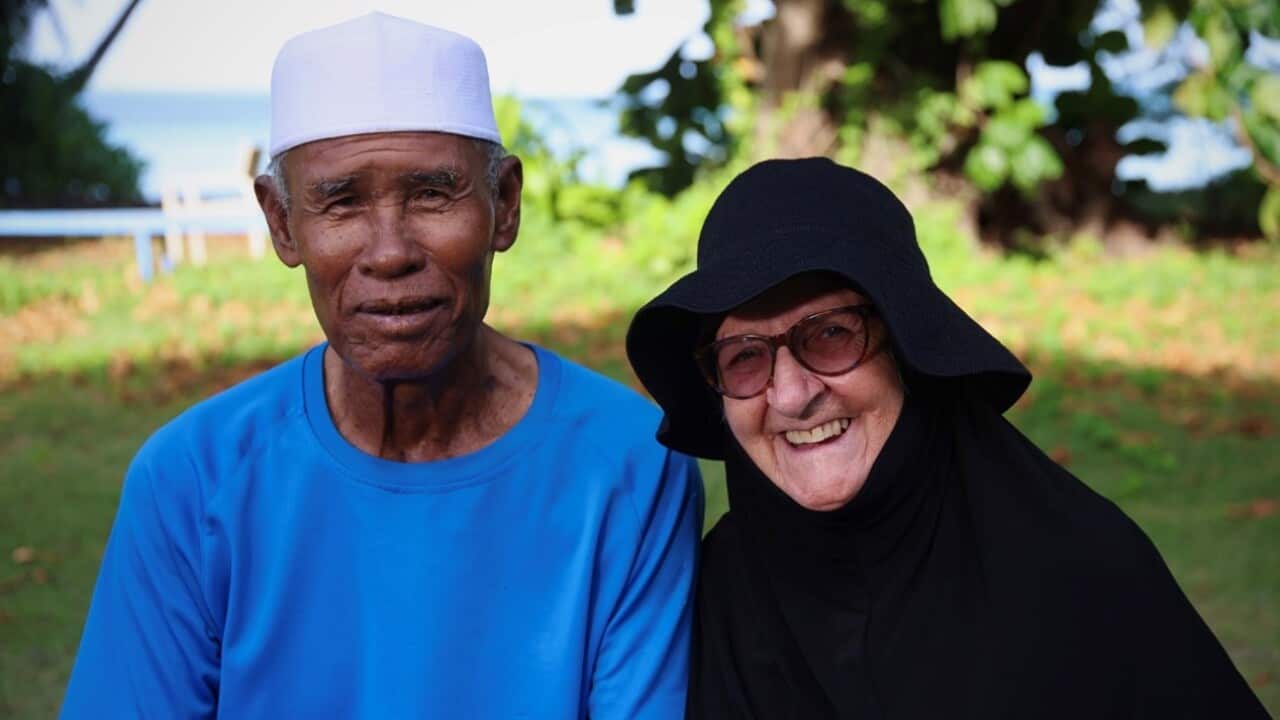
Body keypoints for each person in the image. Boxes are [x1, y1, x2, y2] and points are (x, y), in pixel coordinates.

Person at [61, 13, 701, 719]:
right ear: (281, 224)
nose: (390, 252)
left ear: (504, 205)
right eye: (341, 202)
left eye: (431, 194)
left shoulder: (631, 467)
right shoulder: (193, 480)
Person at [625, 157, 1269, 719]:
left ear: (908, 348)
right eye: (744, 355)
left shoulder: (1080, 570)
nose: (791, 395)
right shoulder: (718, 592)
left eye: (830, 334)